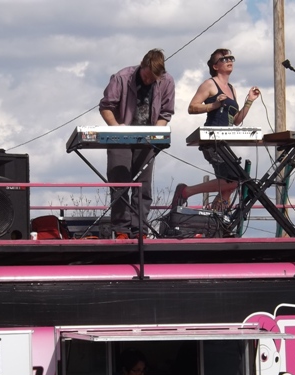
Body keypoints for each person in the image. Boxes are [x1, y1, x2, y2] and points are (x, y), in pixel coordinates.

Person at [171, 48, 260, 212]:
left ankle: (217, 220)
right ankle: (186, 191)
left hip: (224, 141)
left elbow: (237, 120)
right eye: (224, 59)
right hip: (212, 140)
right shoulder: (210, 84)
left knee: (229, 184)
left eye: (231, 58)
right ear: (215, 66)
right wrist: (215, 104)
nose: (229, 60)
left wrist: (249, 101)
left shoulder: (232, 88)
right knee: (233, 180)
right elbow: (192, 107)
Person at [99, 49, 175, 239]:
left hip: (147, 139)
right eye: (146, 76)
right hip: (120, 137)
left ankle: (140, 229)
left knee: (144, 186)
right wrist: (117, 129)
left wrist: (156, 133)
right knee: (120, 182)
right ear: (142, 65)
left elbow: (166, 113)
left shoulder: (167, 81)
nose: (149, 81)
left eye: (153, 79)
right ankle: (122, 229)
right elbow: (106, 106)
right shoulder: (121, 77)